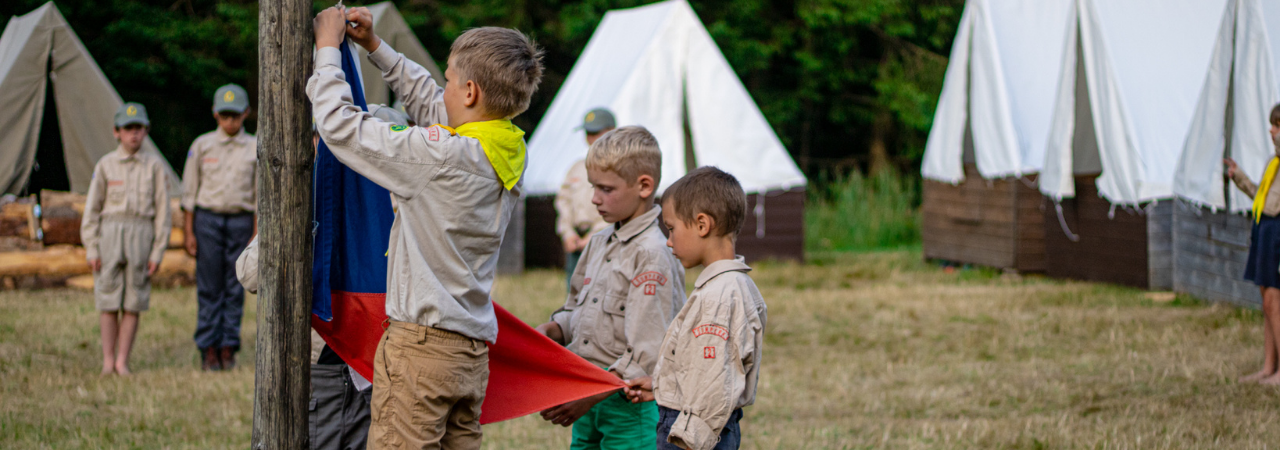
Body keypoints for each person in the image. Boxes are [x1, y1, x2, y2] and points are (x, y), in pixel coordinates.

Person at [309, 7, 544, 448]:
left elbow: (341, 128)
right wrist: (377, 49)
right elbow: (434, 105)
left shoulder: (441, 158)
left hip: (419, 350)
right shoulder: (504, 148)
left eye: (450, 80)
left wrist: (327, 51)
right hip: (468, 356)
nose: (443, 89)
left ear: (470, 91)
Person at [535, 126, 687, 450]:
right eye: (593, 187)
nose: (594, 198)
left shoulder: (652, 256)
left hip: (629, 407)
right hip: (586, 396)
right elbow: (576, 306)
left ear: (644, 186)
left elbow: (647, 352)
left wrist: (590, 395)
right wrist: (555, 329)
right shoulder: (599, 242)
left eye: (605, 189)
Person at [623, 167, 767, 450]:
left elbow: (715, 384)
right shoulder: (730, 287)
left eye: (672, 228)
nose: (668, 240)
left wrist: (689, 441)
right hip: (695, 423)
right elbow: (702, 368)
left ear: (702, 225)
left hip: (692, 434)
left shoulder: (719, 296)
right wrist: (662, 385)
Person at [81, 102, 172, 376]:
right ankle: (107, 360)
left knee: (134, 299)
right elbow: (92, 209)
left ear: (146, 131)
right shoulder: (106, 165)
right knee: (108, 298)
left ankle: (123, 360)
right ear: (116, 132)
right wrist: (92, 247)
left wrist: (157, 252)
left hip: (140, 233)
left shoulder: (155, 167)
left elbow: (163, 213)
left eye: (139, 128)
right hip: (111, 233)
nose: (133, 134)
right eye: (128, 129)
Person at [181, 83, 258, 372]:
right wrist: (189, 232)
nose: (230, 121)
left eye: (236, 115)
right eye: (225, 115)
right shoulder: (202, 146)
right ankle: (208, 347)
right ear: (215, 114)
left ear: (246, 114)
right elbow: (189, 194)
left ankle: (228, 346)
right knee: (209, 286)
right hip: (208, 220)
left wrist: (255, 232)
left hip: (240, 221)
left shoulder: (254, 147)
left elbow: (258, 195)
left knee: (235, 287)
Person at [1228, 103, 1280, 385]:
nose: (1271, 131)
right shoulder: (1273, 163)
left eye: (1277, 126)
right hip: (1265, 228)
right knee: (1267, 302)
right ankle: (1268, 366)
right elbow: (1261, 195)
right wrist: (1240, 177)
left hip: (1278, 232)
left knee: (1275, 300)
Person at [555, 108, 615, 287]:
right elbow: (563, 201)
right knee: (574, 294)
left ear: (611, 131)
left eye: (596, 133)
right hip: (577, 243)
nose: (591, 138)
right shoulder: (577, 168)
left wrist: (596, 234)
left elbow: (618, 208)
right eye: (588, 133)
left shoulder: (619, 169)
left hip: (605, 241)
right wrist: (568, 233)